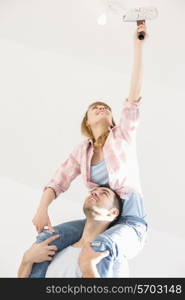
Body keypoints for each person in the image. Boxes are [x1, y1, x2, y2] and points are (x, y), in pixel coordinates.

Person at [30, 23, 149, 278]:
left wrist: (138, 45)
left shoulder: (122, 136)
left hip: (128, 221)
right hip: (98, 220)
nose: (102, 108)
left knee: (98, 249)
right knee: (44, 243)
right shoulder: (81, 151)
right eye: (95, 107)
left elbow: (133, 97)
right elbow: (57, 181)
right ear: (87, 121)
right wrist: (42, 209)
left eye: (106, 107)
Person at [18, 186, 135, 277]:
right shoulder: (55, 250)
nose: (94, 192)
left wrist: (88, 267)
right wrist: (27, 259)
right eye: (93, 191)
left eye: (104, 193)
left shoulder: (113, 257)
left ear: (112, 213)